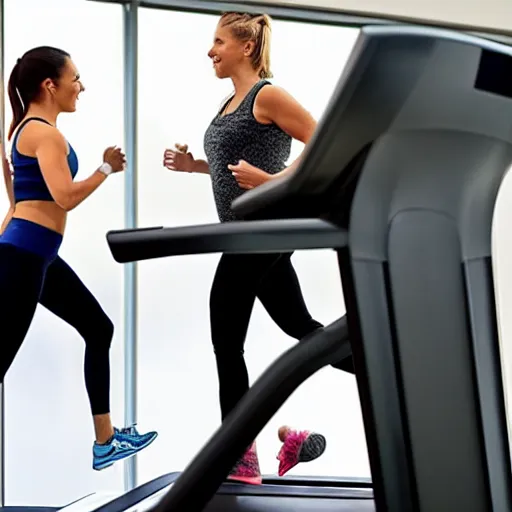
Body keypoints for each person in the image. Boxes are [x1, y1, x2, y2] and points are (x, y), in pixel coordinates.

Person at [163, 12, 329, 485]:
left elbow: (322, 143)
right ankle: (388, 374)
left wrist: (270, 182)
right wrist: (194, 165)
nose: (210, 51)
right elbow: (228, 167)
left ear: (246, 48)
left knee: (225, 336)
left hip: (263, 230)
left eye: (218, 42)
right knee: (304, 329)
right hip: (246, 233)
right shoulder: (227, 102)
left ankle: (240, 457)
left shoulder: (267, 94)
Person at [0, 46, 158, 471]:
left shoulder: (27, 131)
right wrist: (105, 168)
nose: (81, 86)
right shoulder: (43, 134)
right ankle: (104, 441)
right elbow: (64, 197)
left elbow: (18, 203)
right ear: (50, 85)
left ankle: (105, 442)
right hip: (24, 258)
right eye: (75, 78)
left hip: (35, 255)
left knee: (98, 327)